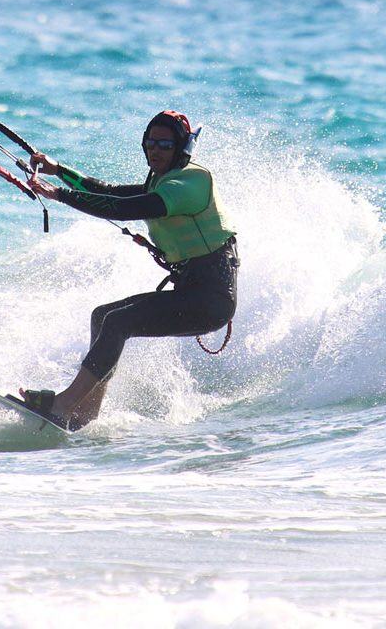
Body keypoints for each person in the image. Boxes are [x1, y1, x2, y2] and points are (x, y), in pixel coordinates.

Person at [19, 111, 238, 429]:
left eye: (165, 144)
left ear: (181, 148)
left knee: (119, 323)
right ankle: (85, 412)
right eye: (150, 143)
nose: (156, 150)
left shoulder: (190, 182)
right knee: (102, 317)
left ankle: (63, 404)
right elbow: (110, 192)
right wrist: (59, 171)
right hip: (191, 290)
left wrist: (60, 195)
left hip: (211, 298)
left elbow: (127, 209)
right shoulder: (159, 180)